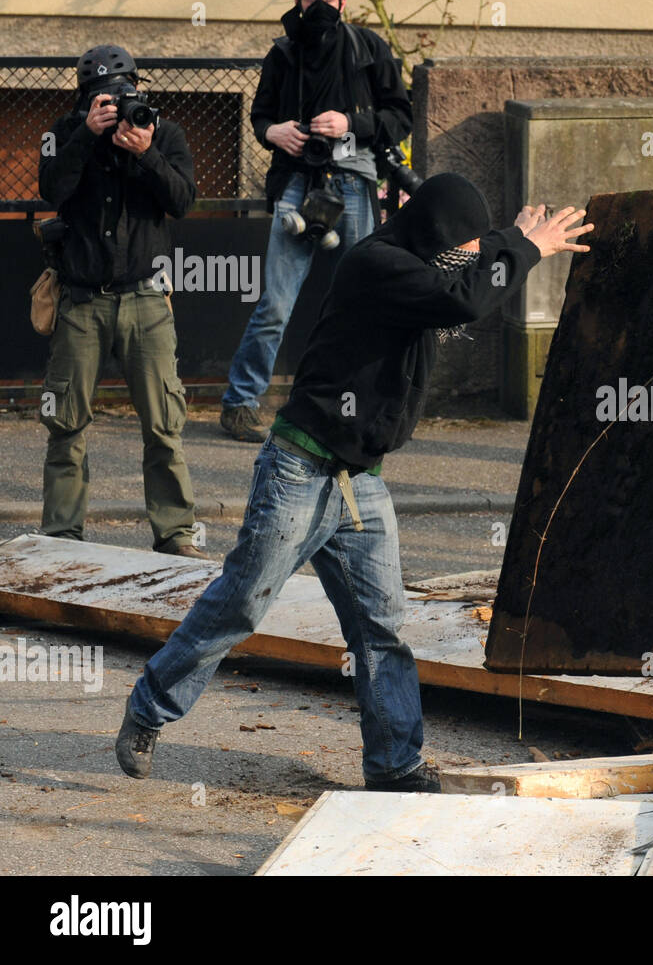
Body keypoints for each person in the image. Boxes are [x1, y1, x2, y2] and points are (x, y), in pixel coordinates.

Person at [116, 174, 594, 792]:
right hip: (300, 467)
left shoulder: (423, 266)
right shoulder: (378, 264)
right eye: (464, 244)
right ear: (434, 235)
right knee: (242, 601)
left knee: (381, 625)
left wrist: (506, 241)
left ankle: (395, 765)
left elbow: (463, 284)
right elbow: (463, 300)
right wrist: (522, 247)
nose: (470, 256)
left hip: (361, 484)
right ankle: (148, 709)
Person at [220, 0, 412, 443]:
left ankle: (359, 405)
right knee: (276, 304)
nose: (321, 6)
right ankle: (240, 405)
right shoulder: (283, 53)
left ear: (344, 2)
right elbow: (260, 117)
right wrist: (274, 132)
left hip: (354, 184)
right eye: (311, 0)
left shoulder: (370, 47)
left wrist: (352, 124)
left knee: (364, 300)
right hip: (297, 186)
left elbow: (399, 115)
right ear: (297, 3)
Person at [36, 45, 204, 558]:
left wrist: (145, 152)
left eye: (122, 92)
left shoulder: (163, 131)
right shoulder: (64, 134)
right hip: (82, 301)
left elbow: (181, 201)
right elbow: (51, 190)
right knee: (66, 423)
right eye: (99, 97)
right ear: (83, 99)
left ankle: (175, 535)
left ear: (139, 88)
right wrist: (87, 135)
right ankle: (63, 536)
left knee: (163, 424)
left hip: (147, 301)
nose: (113, 103)